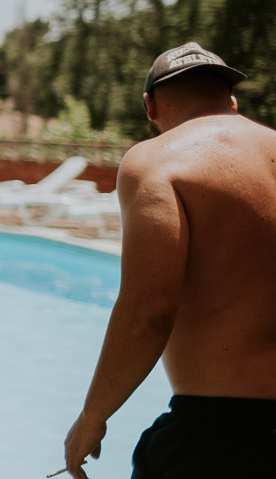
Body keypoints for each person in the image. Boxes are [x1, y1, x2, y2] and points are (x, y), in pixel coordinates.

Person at [63, 42, 276, 478]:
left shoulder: (156, 160)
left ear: (150, 106)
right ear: (231, 100)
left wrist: (92, 416)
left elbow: (149, 309)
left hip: (218, 437)